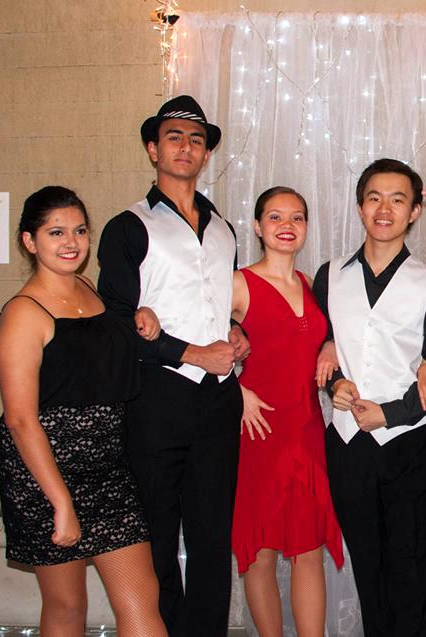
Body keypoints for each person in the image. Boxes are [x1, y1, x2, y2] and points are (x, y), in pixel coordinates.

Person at [97, 95, 247, 636]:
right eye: (175, 137)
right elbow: (115, 323)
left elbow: (219, 304)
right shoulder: (128, 227)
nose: (186, 147)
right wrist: (187, 352)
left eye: (197, 139)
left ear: (206, 154)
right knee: (157, 534)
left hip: (217, 399)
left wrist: (237, 335)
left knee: (212, 536)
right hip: (155, 398)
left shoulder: (224, 228)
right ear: (152, 148)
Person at [0, 186, 167, 635]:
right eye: (56, 232)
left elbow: (93, 347)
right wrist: (61, 502)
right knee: (68, 605)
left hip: (108, 465)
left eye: (79, 230)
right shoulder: (22, 312)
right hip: (45, 471)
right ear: (30, 242)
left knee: (142, 600)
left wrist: (138, 317)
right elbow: (19, 418)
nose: (71, 242)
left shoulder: (89, 291)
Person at [312, 158, 426, 636]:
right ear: (360, 207)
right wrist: (335, 384)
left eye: (398, 199)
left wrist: (390, 413)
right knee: (367, 564)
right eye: (374, 198)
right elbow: (325, 349)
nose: (384, 209)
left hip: (407, 441)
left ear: (413, 214)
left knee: (411, 567)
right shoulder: (329, 275)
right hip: (347, 443)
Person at [230, 187, 344, 635]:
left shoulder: (311, 286)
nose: (286, 226)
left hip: (306, 427)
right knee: (260, 551)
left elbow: (327, 337)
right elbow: (202, 340)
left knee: (308, 547)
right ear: (257, 227)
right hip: (256, 429)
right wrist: (235, 392)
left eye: (296, 218)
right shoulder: (238, 282)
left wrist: (331, 341)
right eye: (275, 217)